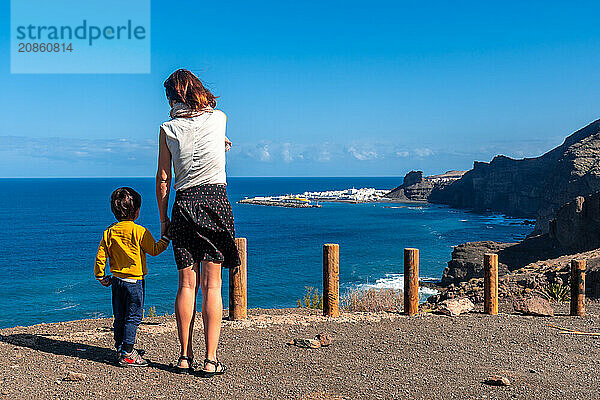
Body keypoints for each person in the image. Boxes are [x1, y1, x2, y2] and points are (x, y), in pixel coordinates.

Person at [156, 68, 240, 377]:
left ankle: (183, 356)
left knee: (186, 284)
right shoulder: (220, 120)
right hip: (215, 201)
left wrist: (163, 217)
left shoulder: (167, 129)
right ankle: (210, 359)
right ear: (198, 90)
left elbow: (164, 179)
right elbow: (215, 137)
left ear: (173, 97)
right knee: (212, 284)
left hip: (183, 203)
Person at [94, 187, 170, 367]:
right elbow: (154, 250)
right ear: (137, 212)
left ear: (114, 211)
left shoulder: (109, 231)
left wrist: (100, 275)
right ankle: (128, 353)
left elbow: (101, 255)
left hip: (117, 281)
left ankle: (120, 347)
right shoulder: (139, 231)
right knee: (133, 317)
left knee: (119, 316)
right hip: (134, 282)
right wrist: (166, 238)